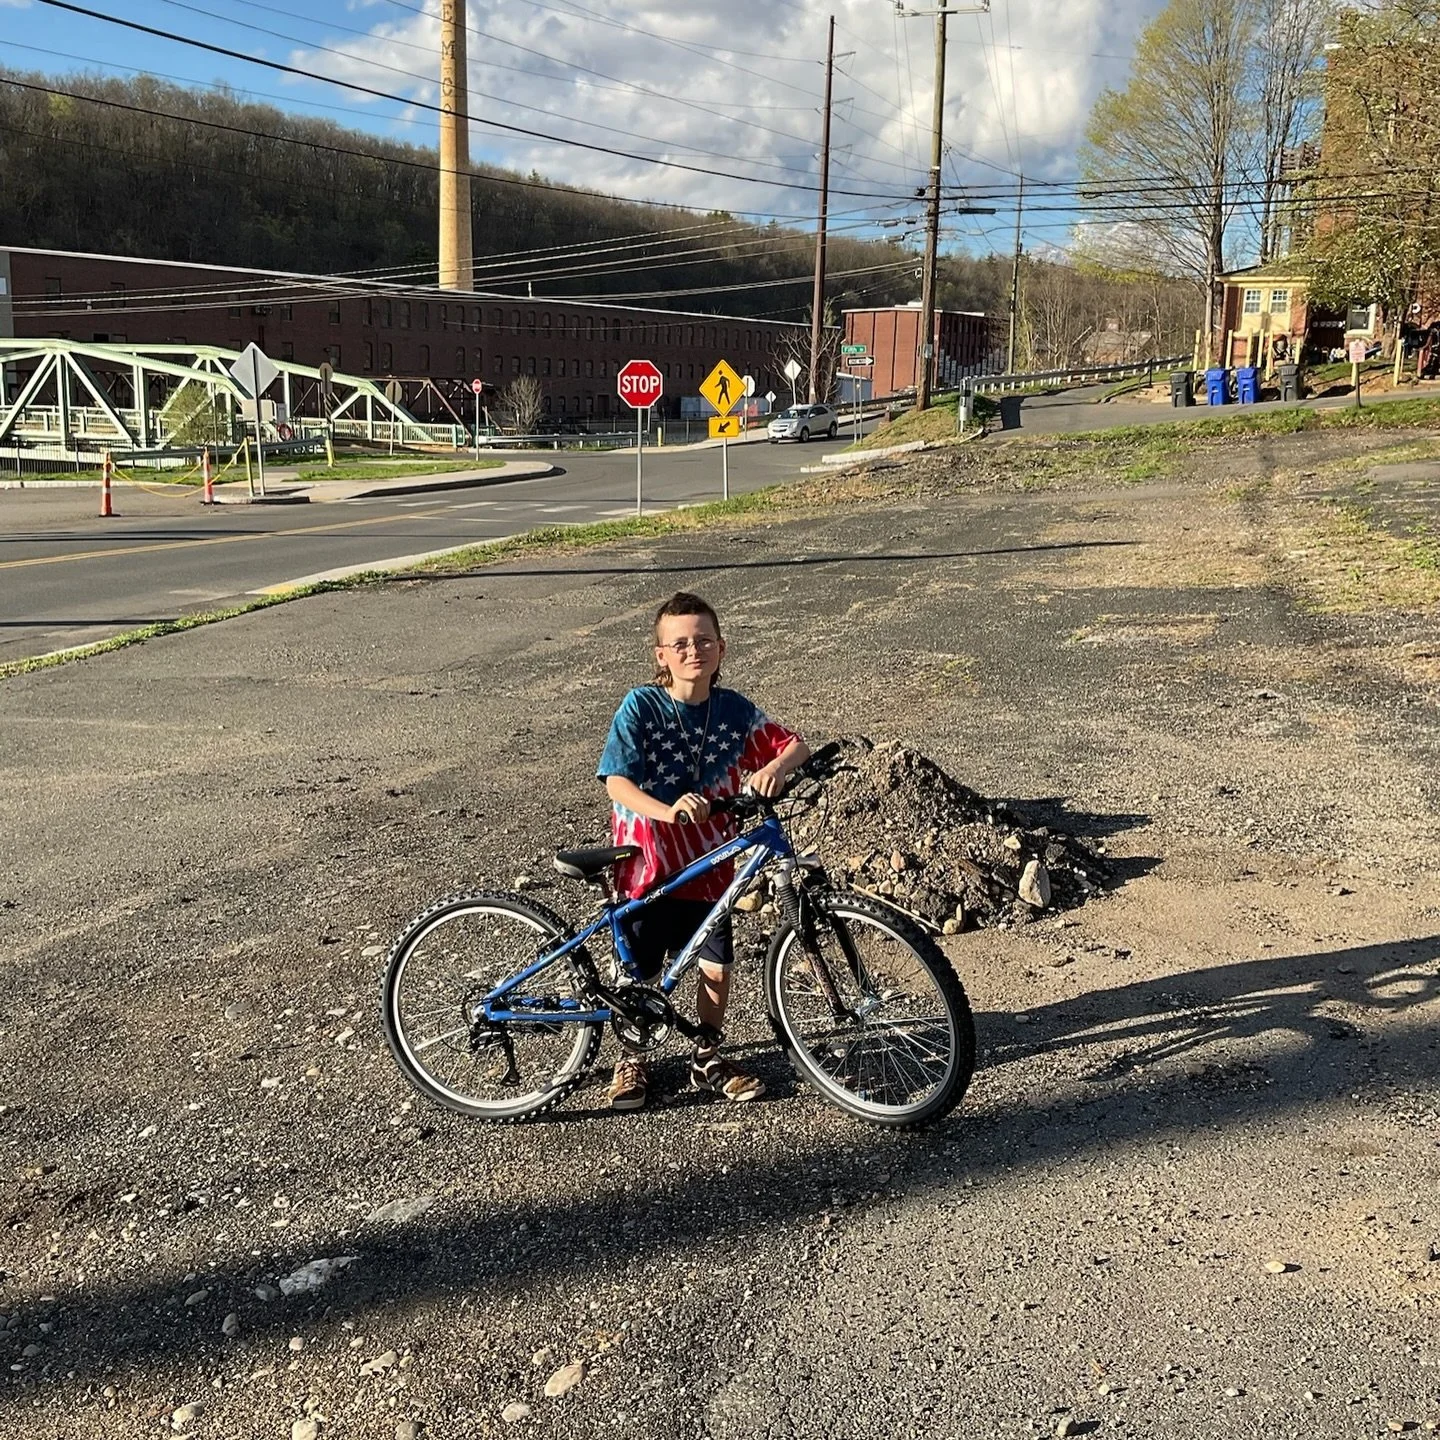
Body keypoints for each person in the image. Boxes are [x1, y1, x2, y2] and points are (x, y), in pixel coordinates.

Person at [597, 591, 810, 1111]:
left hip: (713, 862)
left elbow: (794, 745)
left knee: (715, 966)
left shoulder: (733, 710)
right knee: (640, 970)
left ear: (721, 648)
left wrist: (773, 770)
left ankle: (706, 1054)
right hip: (647, 862)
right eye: (681, 643)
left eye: (704, 640)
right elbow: (616, 783)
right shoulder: (641, 706)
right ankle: (633, 1061)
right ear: (661, 655)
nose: (695, 650)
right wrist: (667, 811)